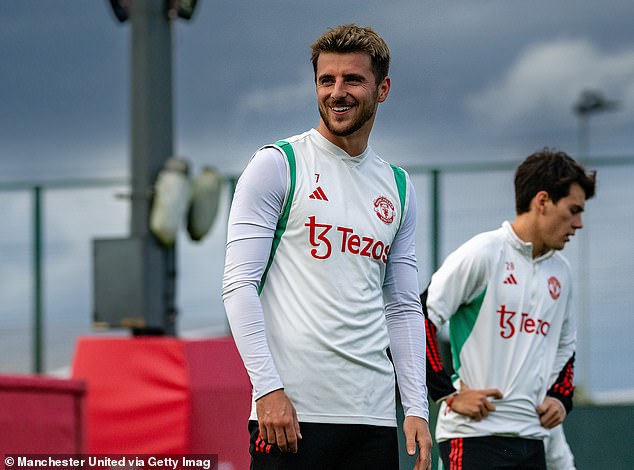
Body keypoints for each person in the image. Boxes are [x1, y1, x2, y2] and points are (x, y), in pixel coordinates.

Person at [222, 24, 432, 470]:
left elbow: (404, 307)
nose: (337, 92)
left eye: (352, 80)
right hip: (291, 415)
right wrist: (267, 390)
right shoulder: (278, 165)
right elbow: (238, 285)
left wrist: (416, 405)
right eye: (326, 80)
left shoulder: (398, 186)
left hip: (373, 418)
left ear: (383, 88)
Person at [422, 149, 596, 470]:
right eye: (573, 211)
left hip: (532, 438)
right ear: (542, 201)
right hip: (474, 437)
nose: (579, 223)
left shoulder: (562, 272)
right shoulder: (484, 252)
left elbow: (565, 347)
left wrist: (560, 397)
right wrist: (447, 395)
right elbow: (420, 318)